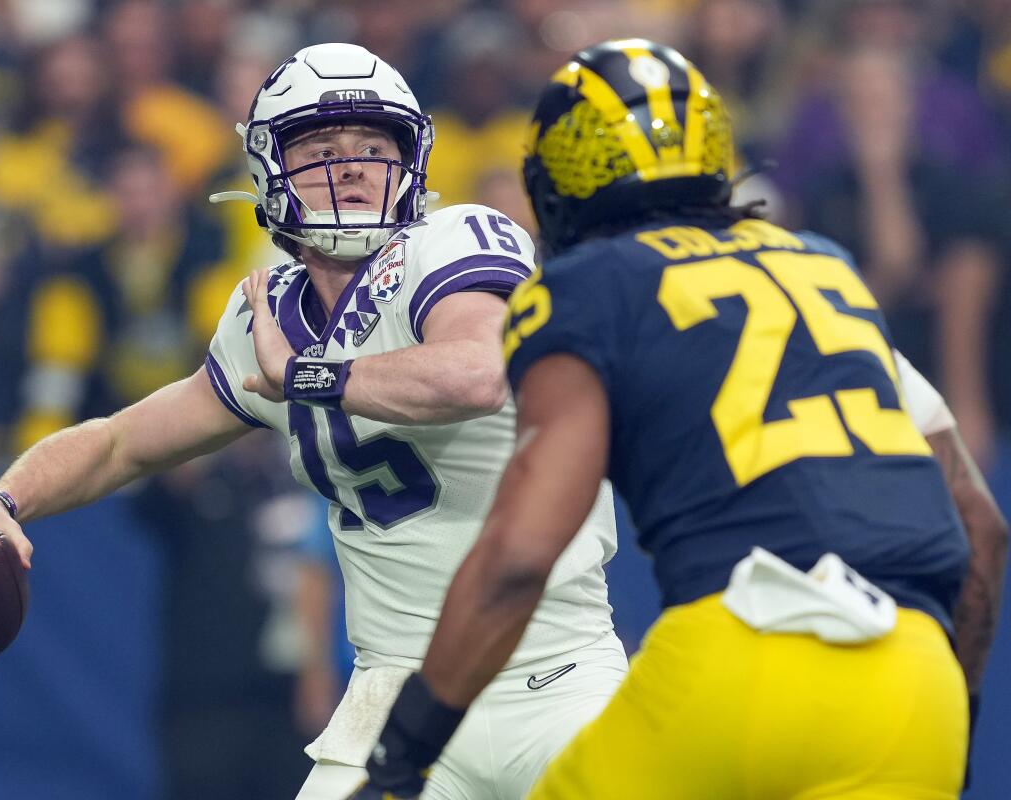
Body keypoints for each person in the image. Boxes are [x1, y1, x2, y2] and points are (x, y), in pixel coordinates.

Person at [0, 43, 629, 800]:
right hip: (390, 702)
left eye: (374, 147)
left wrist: (306, 377)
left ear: (411, 159)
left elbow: (478, 373)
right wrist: (3, 498)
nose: (351, 165)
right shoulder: (267, 314)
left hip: (551, 675)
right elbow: (119, 443)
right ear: (270, 171)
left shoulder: (456, 241)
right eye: (321, 148)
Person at [352, 39, 1008, 799]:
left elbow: (521, 556)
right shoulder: (821, 265)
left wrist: (399, 758)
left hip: (746, 657)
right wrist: (947, 707)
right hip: (917, 683)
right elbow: (982, 532)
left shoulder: (587, 288)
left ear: (559, 179)